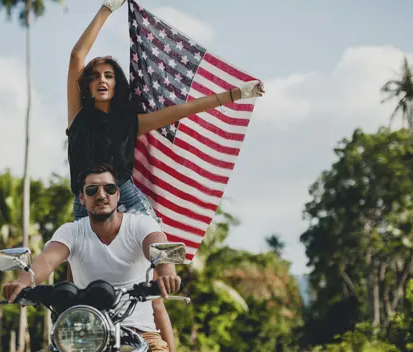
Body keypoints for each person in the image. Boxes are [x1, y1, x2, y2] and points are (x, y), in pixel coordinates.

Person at [4, 165, 215, 352]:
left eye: (108, 188)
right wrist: (23, 281)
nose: (101, 194)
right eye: (92, 190)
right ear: (82, 198)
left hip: (139, 336)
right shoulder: (72, 232)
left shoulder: (139, 225)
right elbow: (48, 260)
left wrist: (165, 271)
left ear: (118, 195)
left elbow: (156, 247)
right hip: (85, 337)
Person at [67, 0, 265, 221]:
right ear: (87, 85)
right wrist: (108, 8)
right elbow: (77, 56)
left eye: (108, 75)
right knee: (84, 253)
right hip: (86, 199)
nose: (101, 80)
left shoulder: (130, 121)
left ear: (116, 84)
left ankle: (161, 254)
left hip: (125, 197)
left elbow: (182, 110)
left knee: (153, 243)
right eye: (95, 76)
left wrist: (235, 95)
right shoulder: (78, 115)